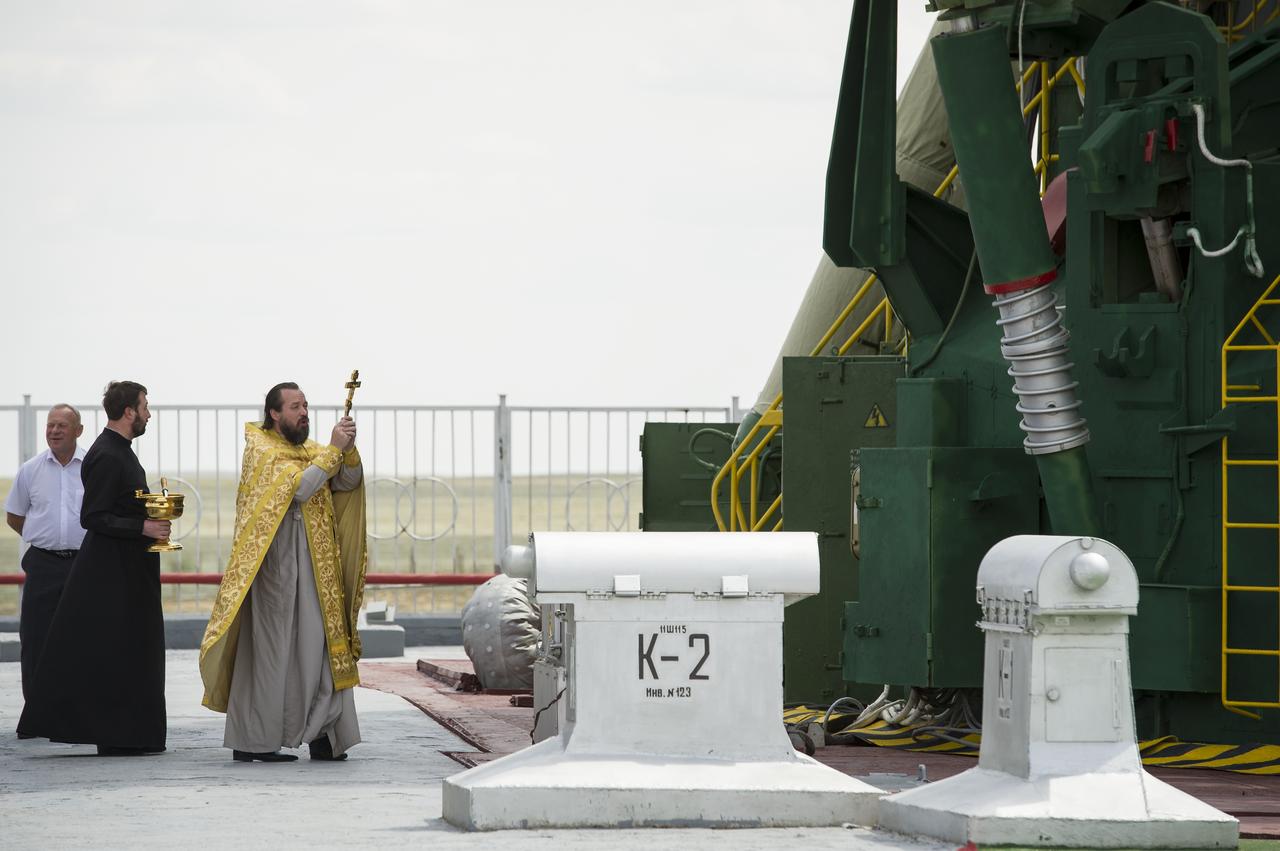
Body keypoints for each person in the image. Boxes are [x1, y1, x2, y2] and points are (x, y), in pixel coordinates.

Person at [200, 382, 368, 763]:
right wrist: (333, 452)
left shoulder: (310, 450)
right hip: (276, 571)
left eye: (306, 405)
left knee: (322, 648)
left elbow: (347, 482)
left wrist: (348, 451)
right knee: (271, 654)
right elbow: (299, 489)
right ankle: (252, 741)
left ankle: (324, 736)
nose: (303, 412)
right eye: (295, 406)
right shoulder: (261, 448)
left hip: (316, 570)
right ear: (274, 414)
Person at [16, 382, 170, 755]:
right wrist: (143, 526)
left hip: (127, 569)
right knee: (111, 653)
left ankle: (132, 732)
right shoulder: (108, 454)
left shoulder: (117, 452)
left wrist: (149, 516)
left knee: (127, 652)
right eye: (145, 406)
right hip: (113, 572)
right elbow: (94, 516)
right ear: (129, 411)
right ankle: (118, 733)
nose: (149, 413)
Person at [5, 405, 86, 716]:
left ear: (78, 431)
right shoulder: (31, 469)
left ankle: (79, 710)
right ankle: (37, 712)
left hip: (83, 564)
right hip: (42, 563)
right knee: (36, 637)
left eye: (62, 425)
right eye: (50, 425)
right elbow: (15, 515)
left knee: (83, 635)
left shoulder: (92, 466)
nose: (54, 431)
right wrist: (44, 536)